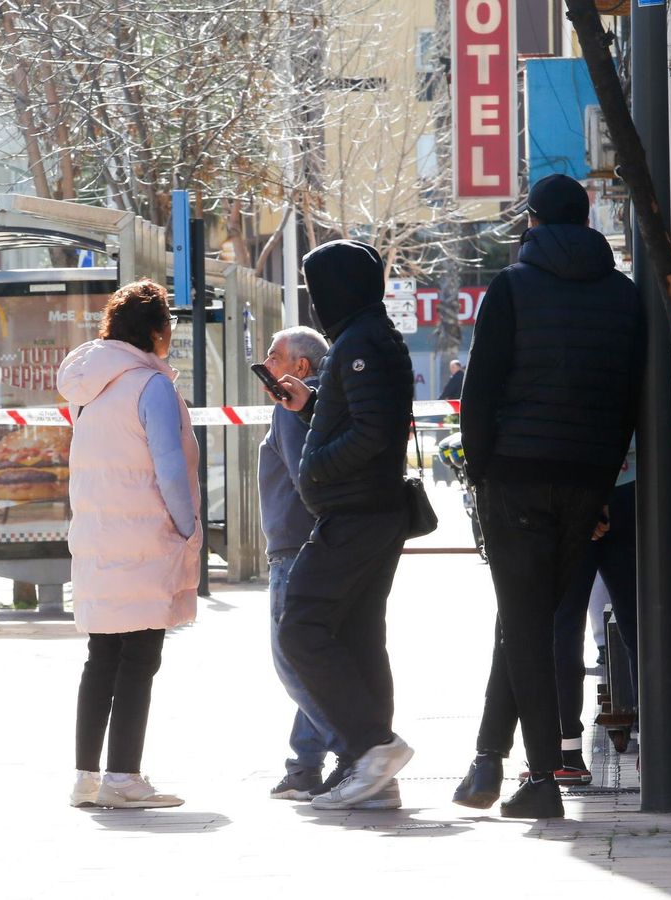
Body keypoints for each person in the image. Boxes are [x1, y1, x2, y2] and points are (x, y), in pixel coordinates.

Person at [458, 174, 644, 818]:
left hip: (514, 475)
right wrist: (598, 481)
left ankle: (539, 778)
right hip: (586, 480)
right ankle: (486, 760)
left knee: (527, 623)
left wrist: (479, 470)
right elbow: (629, 399)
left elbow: (480, 390)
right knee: (528, 615)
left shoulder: (510, 288)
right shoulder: (624, 296)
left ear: (533, 222)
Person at [274, 239, 416, 811]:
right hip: (366, 512)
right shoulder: (364, 338)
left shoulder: (361, 342)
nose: (313, 301)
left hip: (356, 514)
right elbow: (360, 416)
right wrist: (311, 408)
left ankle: (372, 747)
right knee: (357, 638)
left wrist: (317, 467)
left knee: (300, 628)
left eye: (315, 288)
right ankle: (372, 772)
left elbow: (373, 432)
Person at [58, 279, 201, 810]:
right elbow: (168, 466)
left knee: (102, 657)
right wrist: (187, 529)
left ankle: (86, 778)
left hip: (97, 538)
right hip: (144, 539)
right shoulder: (150, 385)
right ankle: (123, 777)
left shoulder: (90, 387)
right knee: (140, 658)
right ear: (158, 331)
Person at [258, 326, 386, 805]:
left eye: (273, 356)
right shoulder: (322, 406)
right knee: (314, 658)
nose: (266, 364)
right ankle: (305, 764)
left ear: (301, 368)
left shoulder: (292, 408)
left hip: (296, 549)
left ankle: (362, 752)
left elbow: (304, 480)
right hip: (310, 546)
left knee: (293, 659)